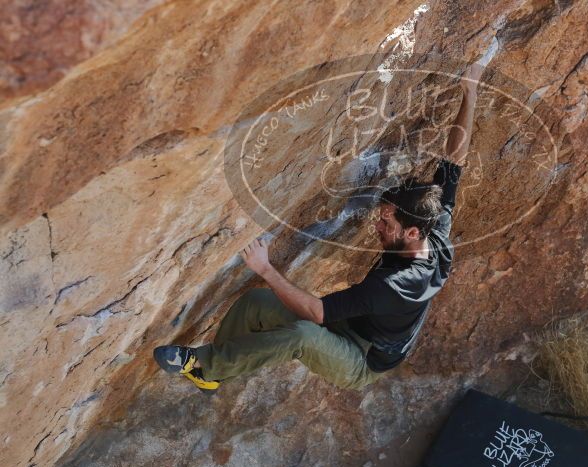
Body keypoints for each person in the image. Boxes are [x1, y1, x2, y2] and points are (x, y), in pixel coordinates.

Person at [153, 62, 485, 393]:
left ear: (412, 233)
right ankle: (212, 373)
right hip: (357, 325)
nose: (377, 224)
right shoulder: (433, 227)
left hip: (362, 359)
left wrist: (265, 268)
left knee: (304, 335)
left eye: (387, 222)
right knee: (255, 303)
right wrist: (470, 93)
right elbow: (454, 161)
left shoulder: (394, 285)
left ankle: (202, 363)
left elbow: (317, 311)